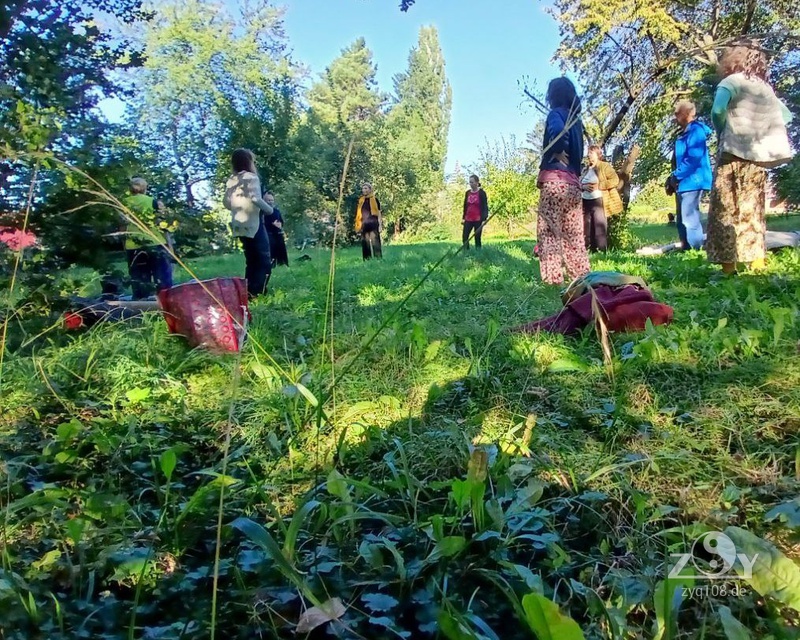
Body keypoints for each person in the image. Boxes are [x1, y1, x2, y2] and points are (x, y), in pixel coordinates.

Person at [706, 45, 794, 274]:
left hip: (732, 154)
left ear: (731, 61)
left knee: (725, 210)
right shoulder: (765, 88)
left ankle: (728, 266)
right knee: (752, 208)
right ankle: (756, 263)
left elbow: (717, 111)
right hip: (757, 159)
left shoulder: (731, 82)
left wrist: (722, 130)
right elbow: (786, 115)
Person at [535, 76, 590, 285]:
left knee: (549, 231)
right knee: (573, 234)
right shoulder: (577, 121)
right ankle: (582, 276)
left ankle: (553, 279)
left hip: (555, 182)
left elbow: (557, 132)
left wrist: (557, 150)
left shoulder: (555, 114)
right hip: (573, 186)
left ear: (553, 95)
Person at [223, 148, 273, 299]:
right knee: (263, 260)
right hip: (253, 224)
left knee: (251, 260)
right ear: (248, 161)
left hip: (239, 224)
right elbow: (255, 198)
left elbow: (226, 202)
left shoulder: (232, 179)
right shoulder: (251, 177)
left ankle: (248, 292)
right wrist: (270, 210)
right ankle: (257, 292)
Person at [666, 100, 713, 251]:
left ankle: (695, 251)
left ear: (686, 114)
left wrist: (676, 176)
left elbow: (693, 158)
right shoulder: (685, 133)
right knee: (682, 220)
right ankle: (686, 248)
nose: (675, 118)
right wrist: (671, 179)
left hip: (693, 180)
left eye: (677, 114)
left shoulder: (696, 131)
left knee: (690, 219)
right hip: (684, 182)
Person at [121, 177, 175, 300]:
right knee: (162, 281)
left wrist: (124, 245)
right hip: (155, 243)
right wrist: (170, 246)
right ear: (145, 188)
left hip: (133, 245)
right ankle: (167, 306)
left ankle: (141, 310)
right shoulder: (154, 202)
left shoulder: (122, 203)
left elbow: (122, 227)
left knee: (139, 281)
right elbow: (164, 225)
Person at [580, 145, 622, 252]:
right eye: (588, 153)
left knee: (600, 228)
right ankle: (588, 251)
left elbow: (615, 180)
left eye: (591, 153)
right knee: (586, 228)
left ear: (598, 155)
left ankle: (602, 252)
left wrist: (599, 186)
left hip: (599, 200)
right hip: (585, 201)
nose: (589, 155)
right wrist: (583, 186)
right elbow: (578, 183)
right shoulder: (585, 169)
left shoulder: (604, 166)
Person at [354, 182, 382, 260]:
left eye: (366, 188)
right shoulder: (361, 200)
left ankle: (378, 258)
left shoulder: (375, 199)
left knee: (375, 242)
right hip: (364, 223)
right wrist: (358, 224)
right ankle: (367, 259)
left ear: (370, 190)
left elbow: (379, 213)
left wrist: (380, 224)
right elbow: (358, 213)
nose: (364, 190)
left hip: (373, 223)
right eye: (363, 188)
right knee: (365, 243)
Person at [462, 174, 489, 250]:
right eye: (470, 182)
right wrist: (463, 218)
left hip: (478, 219)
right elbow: (465, 206)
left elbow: (485, 206)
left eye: (472, 182)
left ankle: (478, 253)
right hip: (468, 219)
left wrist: (484, 219)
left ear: (477, 182)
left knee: (477, 237)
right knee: (465, 236)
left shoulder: (481, 193)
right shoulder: (467, 193)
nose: (471, 184)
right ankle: (466, 252)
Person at [263, 191, 289, 267]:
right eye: (268, 200)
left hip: (277, 234)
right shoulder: (261, 212)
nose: (270, 202)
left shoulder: (276, 211)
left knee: (280, 244)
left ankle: (282, 263)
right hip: (267, 234)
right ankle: (271, 263)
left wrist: (279, 224)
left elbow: (281, 221)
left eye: (272, 200)